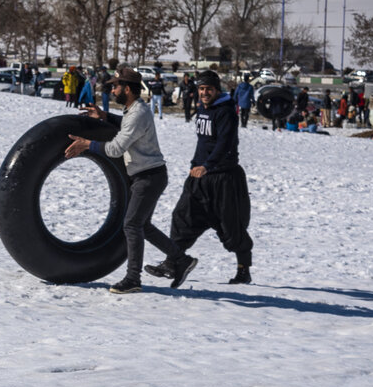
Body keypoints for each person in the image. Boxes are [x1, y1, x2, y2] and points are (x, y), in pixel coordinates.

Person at [64, 67, 194, 294]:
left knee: (132, 224)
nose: (112, 90)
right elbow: (128, 126)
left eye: (115, 86)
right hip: (147, 174)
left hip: (149, 177)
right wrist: (106, 117)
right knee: (142, 225)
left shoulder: (138, 113)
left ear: (127, 89)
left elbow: (115, 148)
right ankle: (180, 260)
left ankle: (133, 279)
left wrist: (87, 144)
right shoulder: (134, 110)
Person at [147, 69, 253, 286]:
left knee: (231, 228)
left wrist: (208, 165)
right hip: (200, 177)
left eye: (209, 89)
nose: (204, 93)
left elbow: (225, 144)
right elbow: (203, 143)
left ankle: (243, 270)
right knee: (182, 216)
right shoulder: (203, 110)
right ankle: (173, 261)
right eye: (201, 89)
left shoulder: (226, 112)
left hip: (224, 179)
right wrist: (196, 164)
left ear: (217, 90)